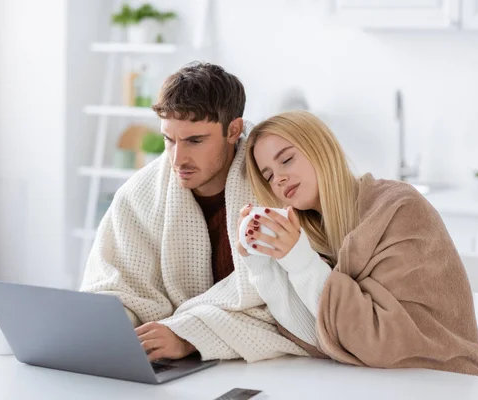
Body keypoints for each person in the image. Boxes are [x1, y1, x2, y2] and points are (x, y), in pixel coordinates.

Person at [80, 63, 316, 363]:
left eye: (195, 141)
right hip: (166, 362)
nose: (178, 158)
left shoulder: (276, 188)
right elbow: (115, 288)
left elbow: (290, 307)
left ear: (234, 130)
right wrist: (112, 327)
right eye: (169, 139)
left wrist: (190, 334)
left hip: (274, 371)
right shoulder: (138, 194)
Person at [236, 110, 478, 375]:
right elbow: (317, 333)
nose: (279, 179)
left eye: (286, 159)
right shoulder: (312, 237)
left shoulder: (399, 208)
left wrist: (301, 262)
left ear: (320, 148)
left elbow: (385, 342)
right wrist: (260, 262)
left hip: (443, 382)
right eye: (269, 176)